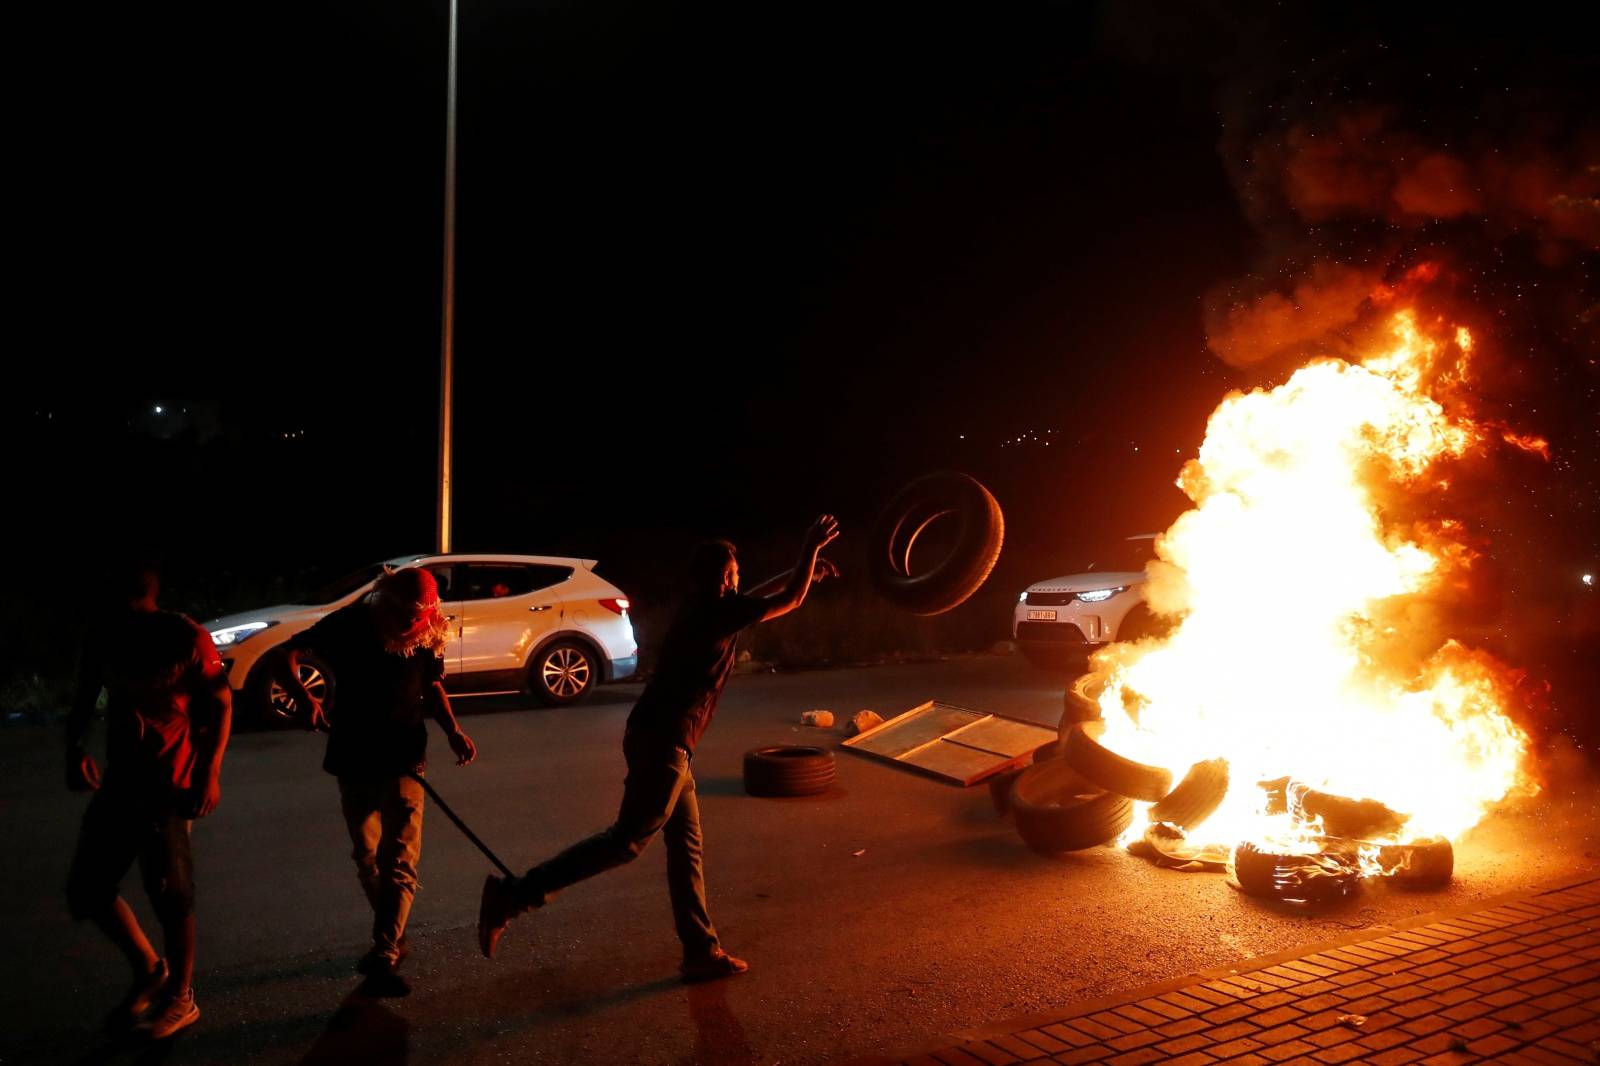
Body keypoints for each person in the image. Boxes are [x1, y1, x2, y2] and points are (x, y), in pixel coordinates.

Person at [477, 515, 841, 981]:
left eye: (736, 575)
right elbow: (786, 599)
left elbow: (759, 599)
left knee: (685, 847)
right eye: (729, 575)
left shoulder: (706, 606)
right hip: (664, 743)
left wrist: (803, 567)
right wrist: (808, 551)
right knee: (627, 841)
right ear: (712, 581)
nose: (735, 581)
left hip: (662, 740)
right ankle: (513, 896)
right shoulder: (715, 612)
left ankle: (700, 952)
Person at [274, 566, 477, 997]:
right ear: (385, 602)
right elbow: (286, 653)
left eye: (417, 618)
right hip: (353, 756)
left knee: (399, 859)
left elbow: (432, 685)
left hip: (406, 759)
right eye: (404, 616)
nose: (410, 625)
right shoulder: (351, 623)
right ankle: (392, 932)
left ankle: (385, 947)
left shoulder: (429, 630)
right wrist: (304, 696)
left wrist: (453, 730)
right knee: (367, 857)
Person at [65, 561, 232, 1039]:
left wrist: (209, 773)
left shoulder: (184, 637)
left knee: (171, 896)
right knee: (88, 888)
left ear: (133, 596)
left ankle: (182, 997)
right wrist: (74, 749)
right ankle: (148, 968)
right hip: (122, 780)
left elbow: (221, 702)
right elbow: (84, 695)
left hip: (171, 782)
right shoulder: (104, 635)